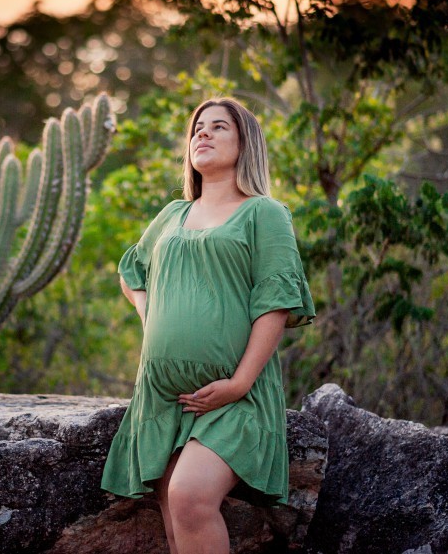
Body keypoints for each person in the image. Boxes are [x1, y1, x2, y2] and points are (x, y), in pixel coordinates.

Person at [100, 98, 315, 554]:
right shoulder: (172, 215)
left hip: (233, 399)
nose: (203, 134)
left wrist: (239, 383)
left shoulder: (264, 213)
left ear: (245, 144)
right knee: (176, 522)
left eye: (219, 127)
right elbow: (130, 274)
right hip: (162, 399)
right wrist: (151, 317)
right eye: (198, 127)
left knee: (190, 498)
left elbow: (276, 303)